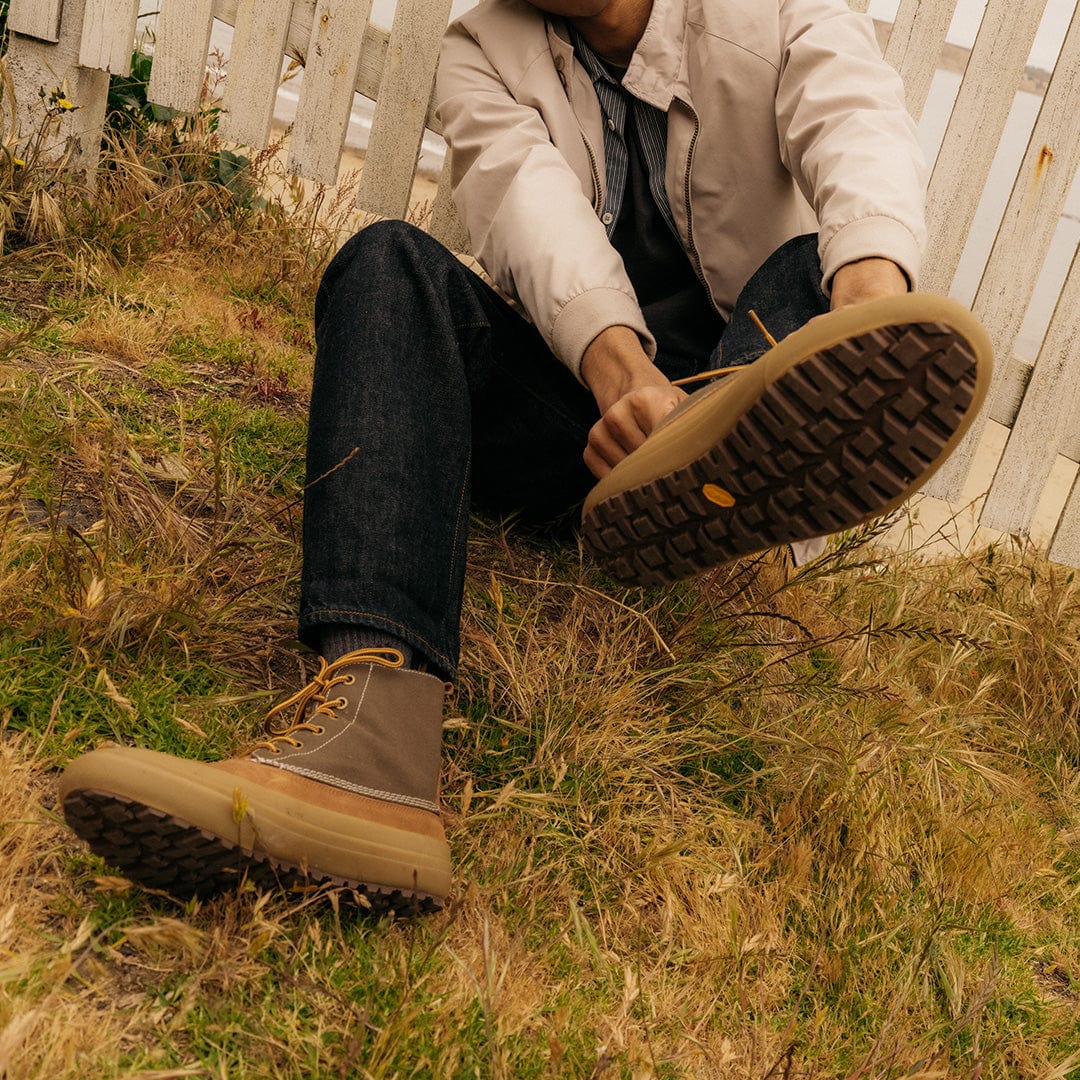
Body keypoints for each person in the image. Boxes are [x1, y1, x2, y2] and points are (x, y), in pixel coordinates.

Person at [58, 0, 991, 913]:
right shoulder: (482, 52)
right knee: (387, 261)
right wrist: (626, 384)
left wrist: (867, 295)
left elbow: (852, 109)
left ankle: (741, 433)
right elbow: (535, 220)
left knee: (811, 257)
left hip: (753, 368)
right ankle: (370, 746)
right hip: (597, 439)